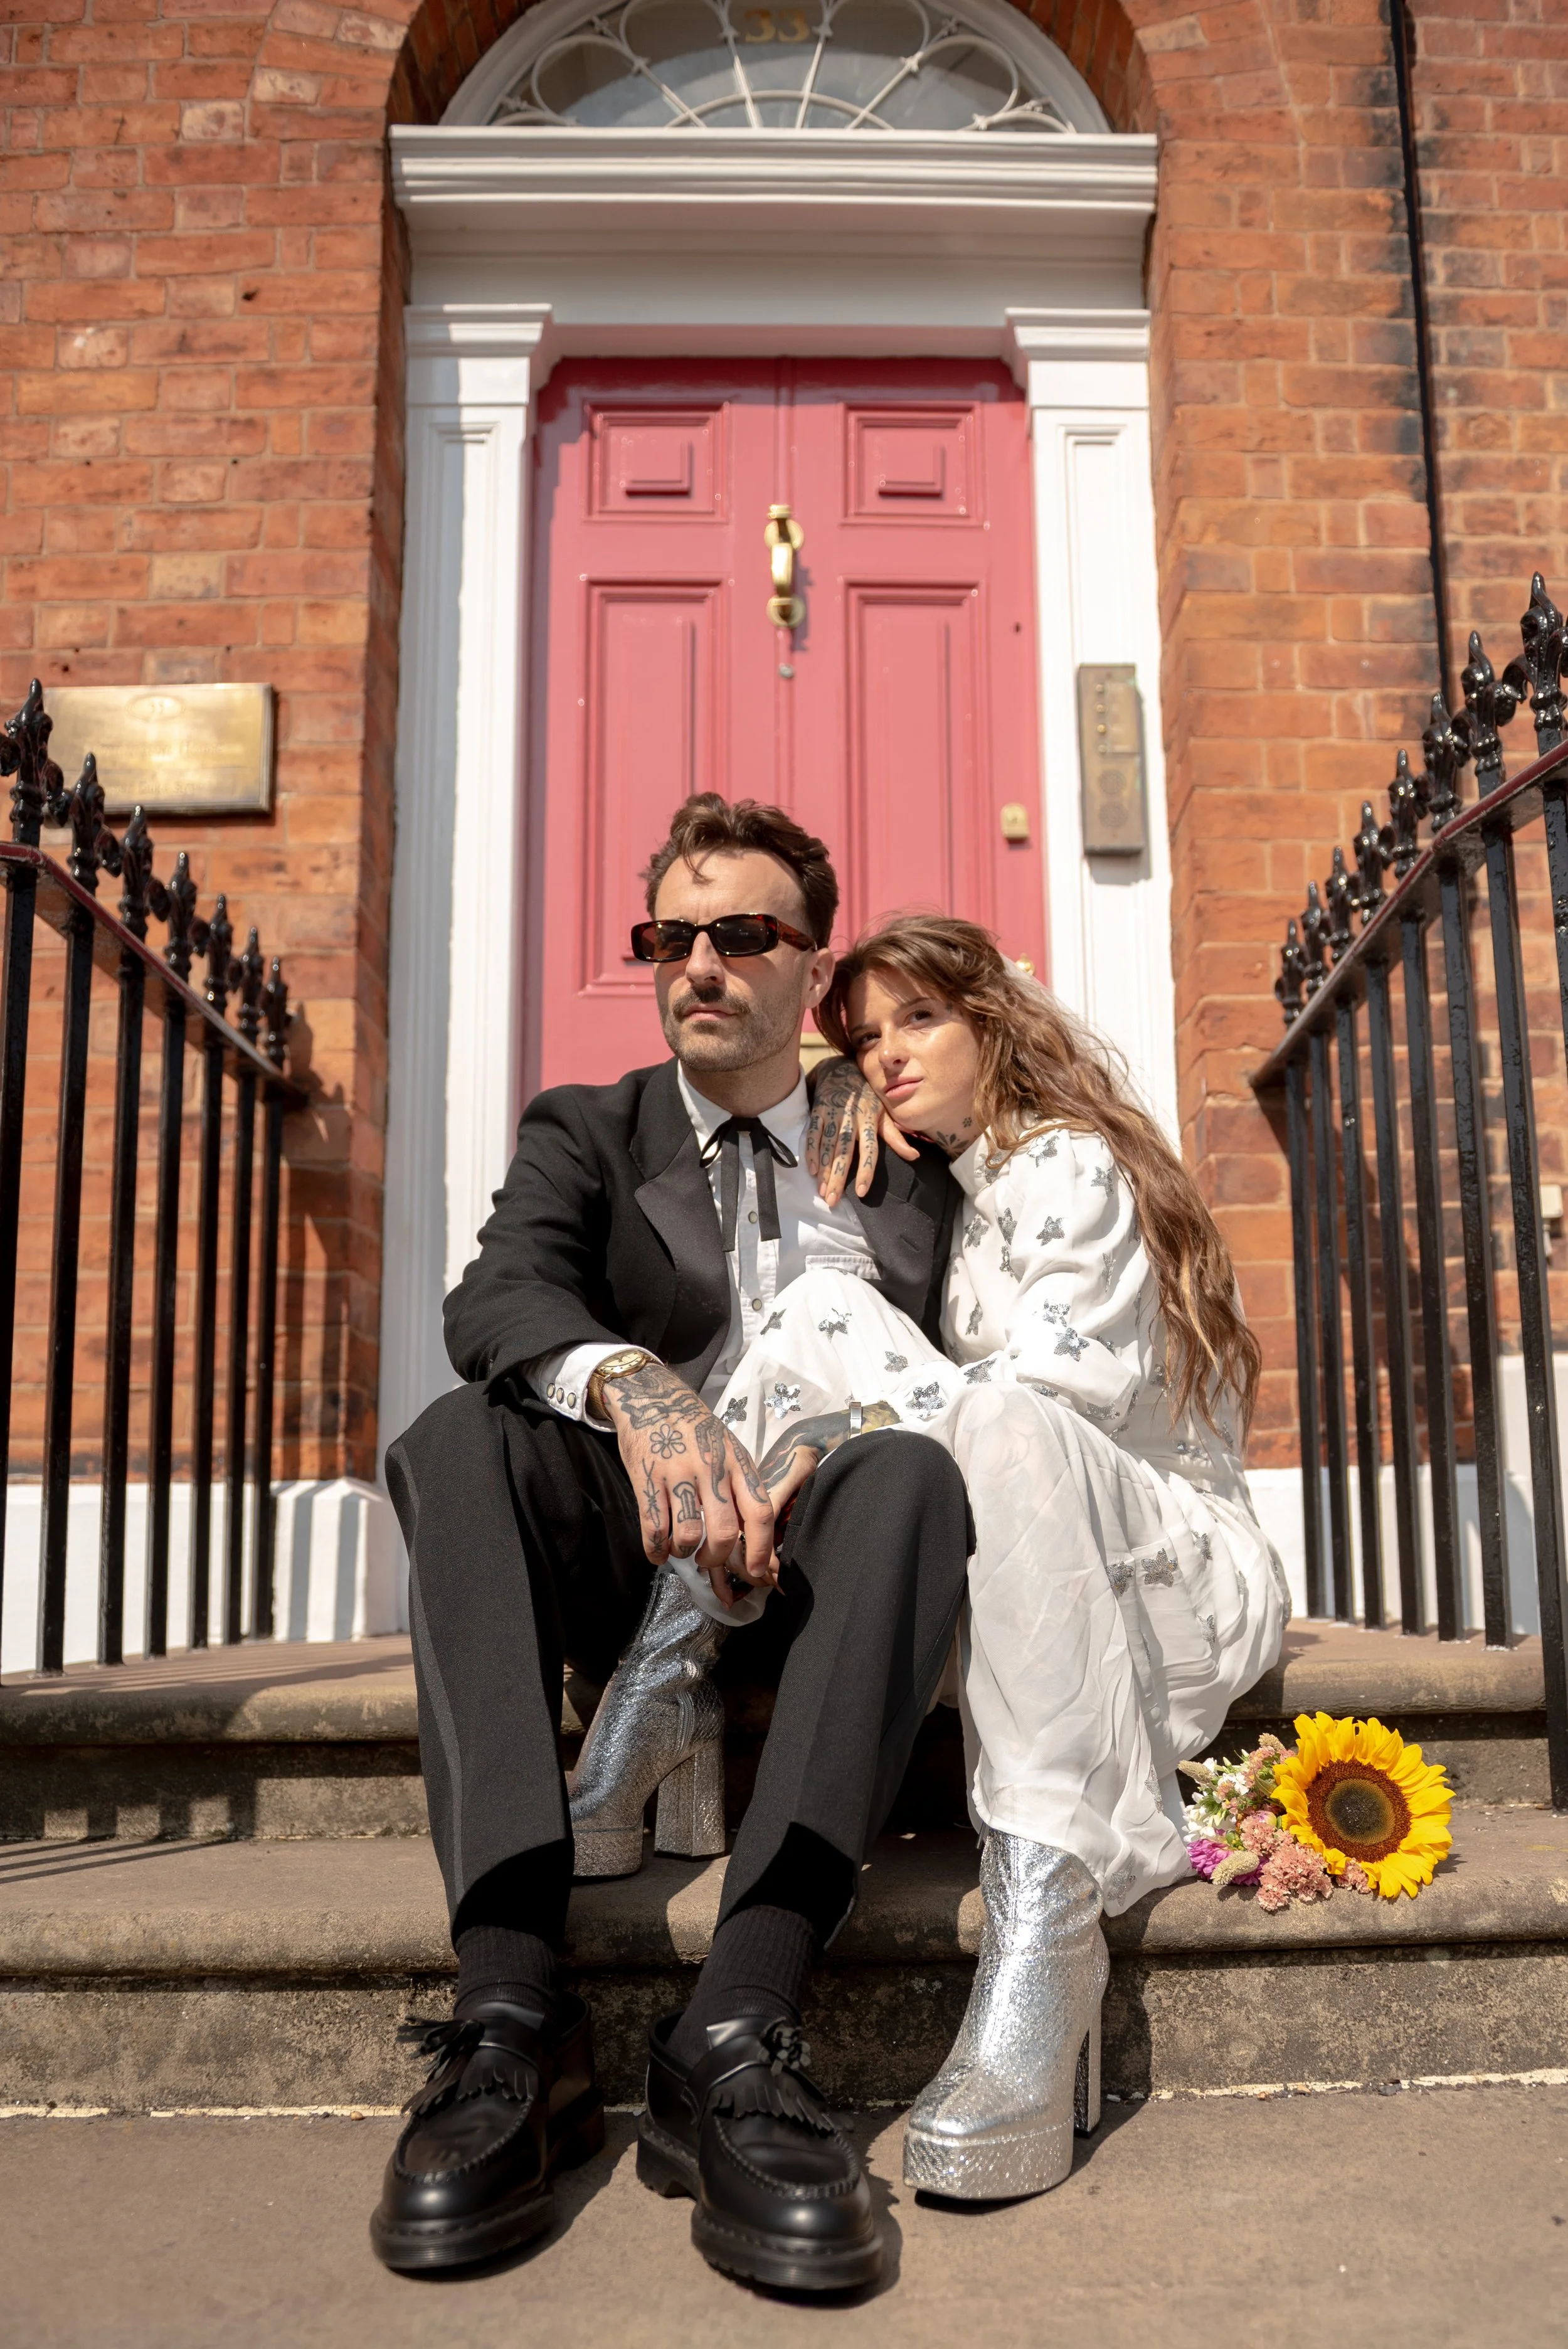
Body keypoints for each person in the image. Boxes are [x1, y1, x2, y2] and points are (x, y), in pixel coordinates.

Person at [374, 798, 973, 2292]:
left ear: (809, 965)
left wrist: (877, 1089)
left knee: (906, 1475)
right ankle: (513, 2014)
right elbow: (496, 1301)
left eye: (742, 935)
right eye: (670, 936)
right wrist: (631, 1382)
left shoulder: (896, 1144)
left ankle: (736, 2023)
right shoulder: (589, 1126)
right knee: (459, 1435)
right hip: (631, 1545)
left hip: (822, 1555)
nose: (697, 964)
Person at [615, 913, 1288, 2202]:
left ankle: (1048, 1920)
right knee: (812, 1307)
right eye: (861, 1040)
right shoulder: (958, 1197)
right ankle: (675, 1660)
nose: (884, 1060)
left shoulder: (1073, 1164)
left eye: (917, 1019)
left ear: (997, 1019)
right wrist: (816, 1090)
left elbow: (1047, 1397)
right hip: (1047, 1553)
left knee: (995, 1413)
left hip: (1175, 1566)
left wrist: (843, 1433)